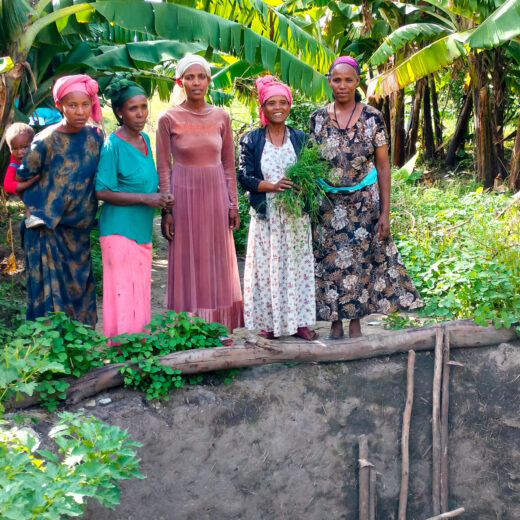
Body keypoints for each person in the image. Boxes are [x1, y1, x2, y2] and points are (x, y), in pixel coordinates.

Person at [310, 56, 422, 339]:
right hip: (328, 206)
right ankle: (334, 323)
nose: (342, 85)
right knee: (330, 264)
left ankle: (356, 322)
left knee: (360, 263)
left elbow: (383, 166)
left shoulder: (373, 117)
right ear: (329, 81)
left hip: (364, 205)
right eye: (337, 80)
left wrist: (385, 213)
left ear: (357, 81)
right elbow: (310, 165)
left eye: (348, 80)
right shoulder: (317, 119)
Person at [156, 55, 244, 338]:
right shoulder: (168, 118)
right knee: (187, 258)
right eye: (190, 77)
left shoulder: (221, 117)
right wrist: (166, 210)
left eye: (201, 76)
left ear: (209, 80)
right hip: (183, 197)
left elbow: (228, 165)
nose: (196, 82)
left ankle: (219, 328)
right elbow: (164, 167)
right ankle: (187, 328)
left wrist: (233, 204)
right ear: (180, 82)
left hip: (216, 194)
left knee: (217, 259)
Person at [16, 74, 104, 327]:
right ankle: (49, 356)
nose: (80, 111)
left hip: (78, 230)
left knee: (78, 288)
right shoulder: (45, 141)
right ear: (60, 105)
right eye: (72, 105)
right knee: (48, 295)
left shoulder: (95, 137)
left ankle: (80, 347)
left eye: (85, 104)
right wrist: (39, 209)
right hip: (46, 231)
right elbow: (20, 181)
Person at [238, 75, 317, 340]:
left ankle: (301, 323)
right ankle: (270, 324)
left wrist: (303, 187)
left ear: (290, 105)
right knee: (268, 271)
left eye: (283, 102)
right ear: (263, 107)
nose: (278, 108)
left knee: (297, 269)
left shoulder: (300, 137)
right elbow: (244, 177)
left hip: (295, 216)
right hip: (267, 216)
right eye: (272, 103)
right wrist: (272, 186)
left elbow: (313, 174)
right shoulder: (252, 139)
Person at [95, 77, 173, 338]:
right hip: (119, 229)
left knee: (139, 289)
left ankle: (138, 344)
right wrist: (146, 198)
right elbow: (102, 191)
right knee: (122, 292)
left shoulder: (144, 139)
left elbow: (145, 181)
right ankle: (121, 349)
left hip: (140, 229)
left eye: (143, 107)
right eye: (132, 108)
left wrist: (161, 198)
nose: (140, 114)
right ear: (119, 112)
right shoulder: (112, 145)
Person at [3, 123, 43, 228]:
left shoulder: (39, 152)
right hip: (28, 191)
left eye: (24, 147)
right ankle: (30, 216)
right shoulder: (14, 164)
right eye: (14, 148)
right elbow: (7, 186)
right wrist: (30, 182)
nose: (20, 152)